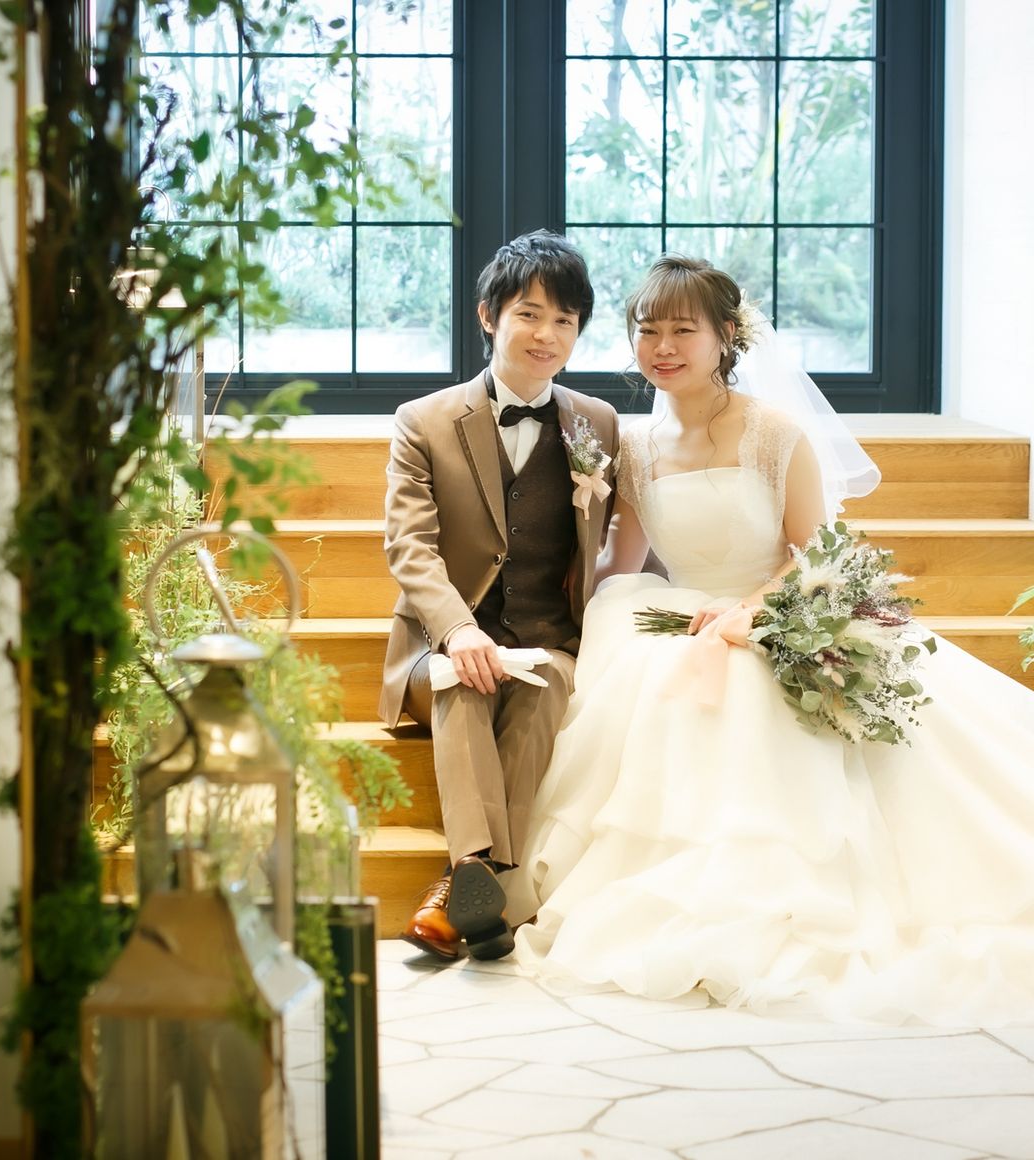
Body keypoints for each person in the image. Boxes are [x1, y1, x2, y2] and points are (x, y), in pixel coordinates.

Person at [505, 254, 1034, 1026]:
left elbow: (815, 553)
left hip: (778, 604)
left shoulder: (773, 434)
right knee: (642, 664)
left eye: (683, 330)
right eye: (647, 330)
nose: (662, 347)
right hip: (684, 611)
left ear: (726, 336)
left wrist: (752, 612)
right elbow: (623, 562)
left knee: (754, 690)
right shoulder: (636, 446)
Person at [381, 230, 620, 961]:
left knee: (545, 687)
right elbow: (410, 547)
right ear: (489, 316)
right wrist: (458, 631)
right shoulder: (423, 421)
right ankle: (483, 878)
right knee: (464, 682)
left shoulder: (598, 424)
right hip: (439, 643)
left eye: (564, 320)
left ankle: (466, 891)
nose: (546, 335)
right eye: (529, 314)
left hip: (549, 636)